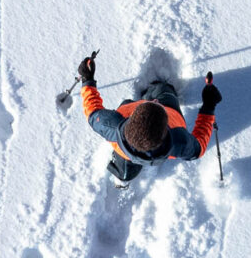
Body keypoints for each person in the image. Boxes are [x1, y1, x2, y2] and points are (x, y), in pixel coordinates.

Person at [77, 57, 221, 183]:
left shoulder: (112, 126)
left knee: (124, 164)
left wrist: (87, 80)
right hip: (169, 106)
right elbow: (199, 148)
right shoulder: (179, 141)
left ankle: (124, 172)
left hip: (123, 151)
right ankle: (161, 88)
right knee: (164, 90)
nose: (156, 101)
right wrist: (208, 107)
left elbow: (92, 111)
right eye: (157, 105)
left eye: (153, 104)